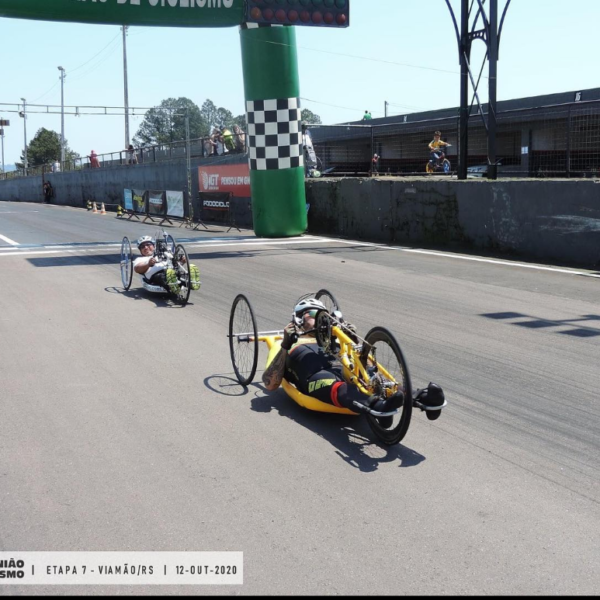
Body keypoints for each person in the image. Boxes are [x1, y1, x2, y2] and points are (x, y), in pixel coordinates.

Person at [261, 298, 406, 427]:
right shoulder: (285, 344)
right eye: (313, 315)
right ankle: (380, 407)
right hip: (315, 377)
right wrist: (286, 344)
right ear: (298, 319)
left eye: (326, 316)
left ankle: (421, 397)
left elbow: (367, 366)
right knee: (335, 384)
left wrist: (353, 341)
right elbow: (270, 384)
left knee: (379, 378)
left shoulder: (335, 340)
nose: (323, 319)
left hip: (345, 371)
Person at [132, 236, 201, 294]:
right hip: (155, 276)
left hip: (172, 270)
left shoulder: (163, 253)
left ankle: (191, 281)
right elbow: (137, 269)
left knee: (178, 273)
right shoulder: (140, 259)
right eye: (142, 247)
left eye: (148, 244)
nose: (146, 247)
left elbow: (175, 263)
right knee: (163, 276)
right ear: (140, 250)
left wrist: (182, 261)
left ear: (153, 246)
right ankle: (172, 285)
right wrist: (148, 264)